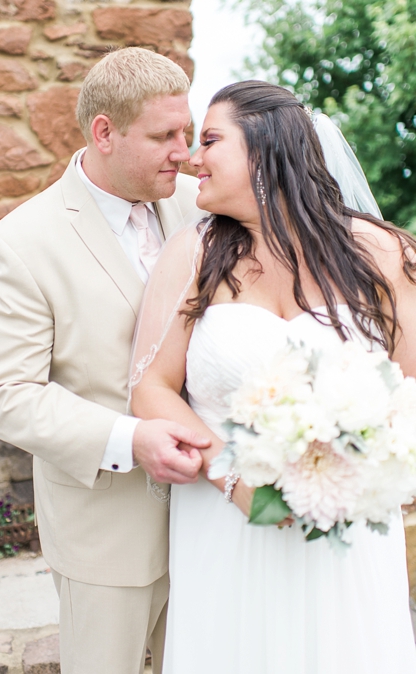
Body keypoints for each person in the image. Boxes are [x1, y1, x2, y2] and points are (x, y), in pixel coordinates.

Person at [129, 80, 416, 672]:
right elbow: (151, 388)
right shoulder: (193, 254)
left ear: (265, 148)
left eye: (209, 140)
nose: (190, 157)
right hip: (226, 523)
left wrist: (365, 465)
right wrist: (234, 480)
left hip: (348, 526)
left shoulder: (382, 253)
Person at [0, 48, 211, 674]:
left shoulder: (202, 205)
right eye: (164, 136)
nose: (183, 151)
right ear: (104, 132)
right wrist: (131, 439)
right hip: (107, 533)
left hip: (214, 522)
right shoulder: (20, 243)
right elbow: (1, 391)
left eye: (184, 131)